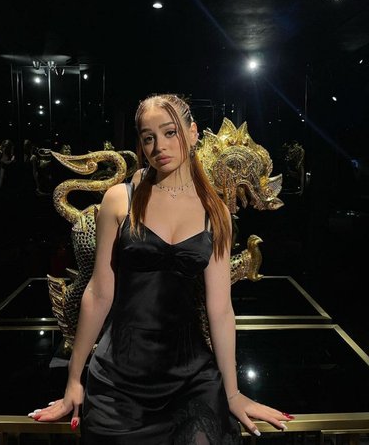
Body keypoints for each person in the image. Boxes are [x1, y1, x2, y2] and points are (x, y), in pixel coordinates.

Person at [28, 94, 294, 444]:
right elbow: (99, 293)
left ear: (193, 132)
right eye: (148, 137)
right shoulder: (119, 199)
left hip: (190, 376)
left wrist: (232, 393)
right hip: (118, 377)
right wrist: (74, 381)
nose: (159, 146)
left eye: (170, 132)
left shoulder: (216, 212)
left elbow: (220, 309)